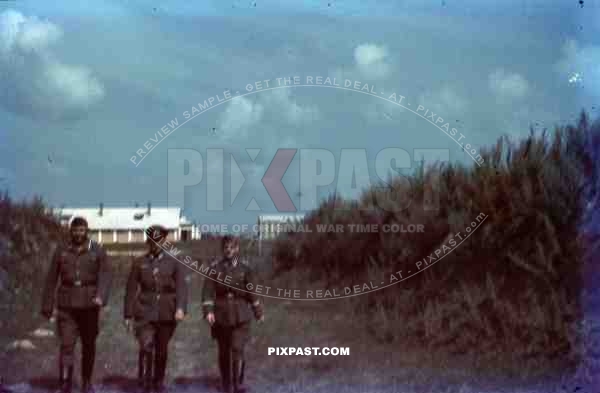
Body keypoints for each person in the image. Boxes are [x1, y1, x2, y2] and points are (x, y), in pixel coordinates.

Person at [41, 217, 112, 393]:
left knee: (89, 345)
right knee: (66, 344)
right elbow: (51, 278)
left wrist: (101, 296)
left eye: (82, 230)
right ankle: (65, 383)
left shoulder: (97, 250)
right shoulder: (61, 250)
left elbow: (106, 275)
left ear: (87, 231)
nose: (78, 233)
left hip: (89, 305)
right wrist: (47, 305)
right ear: (70, 231)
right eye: (75, 230)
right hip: (67, 305)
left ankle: (87, 382)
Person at [124, 225, 188, 393]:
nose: (156, 244)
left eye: (159, 241)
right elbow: (131, 290)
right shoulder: (139, 263)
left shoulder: (174, 261)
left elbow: (182, 287)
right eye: (153, 241)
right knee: (146, 345)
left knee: (161, 349)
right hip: (144, 310)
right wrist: (128, 315)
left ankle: (158, 381)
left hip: (167, 312)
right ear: (148, 241)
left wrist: (180, 308)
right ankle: (144, 381)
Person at [202, 235, 264, 393]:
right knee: (223, 351)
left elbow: (252, 292)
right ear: (222, 249)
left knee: (237, 348)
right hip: (221, 315)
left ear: (237, 249)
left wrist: (258, 312)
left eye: (231, 247)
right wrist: (208, 312)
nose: (228, 250)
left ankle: (237, 383)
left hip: (241, 314)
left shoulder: (245, 268)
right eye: (225, 247)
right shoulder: (215, 268)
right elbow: (207, 292)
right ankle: (226, 383)